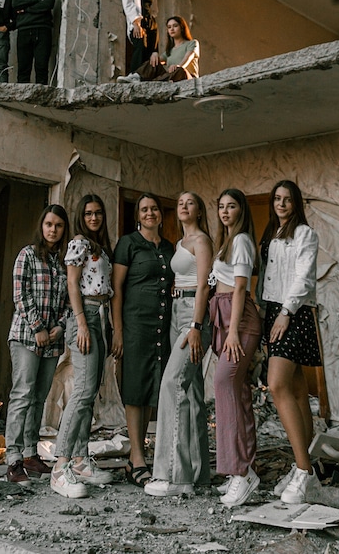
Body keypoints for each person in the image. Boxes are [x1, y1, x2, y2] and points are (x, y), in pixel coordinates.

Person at [146, 191, 213, 497]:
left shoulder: (202, 241)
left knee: (172, 384)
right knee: (193, 391)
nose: (184, 206)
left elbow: (203, 285)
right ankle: (199, 475)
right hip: (176, 312)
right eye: (181, 202)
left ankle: (173, 475)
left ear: (199, 211)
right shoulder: (178, 244)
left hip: (193, 316)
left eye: (190, 202)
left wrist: (197, 326)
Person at [258, 180, 321, 504]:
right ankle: (305, 468)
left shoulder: (305, 234)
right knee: (296, 390)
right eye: (277, 199)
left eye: (287, 199)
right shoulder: (270, 234)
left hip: (293, 312)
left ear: (296, 203)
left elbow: (304, 277)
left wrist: (285, 313)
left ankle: (304, 469)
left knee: (277, 384)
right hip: (273, 311)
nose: (281, 204)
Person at [51, 194, 115, 499]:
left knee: (90, 393)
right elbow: (72, 284)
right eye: (88, 213)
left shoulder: (100, 247)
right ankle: (59, 465)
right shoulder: (78, 243)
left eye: (98, 213)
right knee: (82, 391)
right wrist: (81, 322)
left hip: (100, 316)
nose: (94, 218)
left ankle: (79, 461)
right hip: (85, 315)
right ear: (81, 216)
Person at [111, 192, 174, 487]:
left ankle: (141, 454)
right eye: (144, 209)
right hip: (136, 323)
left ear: (161, 214)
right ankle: (137, 459)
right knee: (135, 388)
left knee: (153, 387)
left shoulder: (170, 247)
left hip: (162, 325)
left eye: (154, 209)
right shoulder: (128, 243)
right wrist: (119, 331)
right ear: (138, 215)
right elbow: (117, 288)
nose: (150, 213)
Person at [5, 203, 70, 485]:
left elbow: (70, 301)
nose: (53, 230)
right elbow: (20, 295)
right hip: (25, 336)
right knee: (22, 394)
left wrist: (59, 327)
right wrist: (38, 328)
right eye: (48, 224)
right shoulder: (28, 255)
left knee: (39, 397)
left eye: (58, 225)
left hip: (52, 341)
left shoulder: (65, 261)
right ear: (41, 227)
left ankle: (31, 453)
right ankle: (13, 459)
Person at [209, 188, 262, 507]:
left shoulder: (241, 240)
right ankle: (246, 470)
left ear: (242, 210)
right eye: (221, 207)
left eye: (231, 206)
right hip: (225, 313)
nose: (225, 211)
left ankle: (240, 473)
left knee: (223, 383)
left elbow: (241, 286)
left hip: (238, 319)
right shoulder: (226, 243)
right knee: (239, 391)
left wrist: (231, 331)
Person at [119, 16, 199, 83]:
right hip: (170, 76)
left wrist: (178, 66)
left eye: (175, 26)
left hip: (187, 77)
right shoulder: (170, 50)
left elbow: (188, 58)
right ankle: (136, 77)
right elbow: (155, 62)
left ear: (181, 28)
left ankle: (154, 82)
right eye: (169, 27)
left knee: (180, 71)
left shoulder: (192, 43)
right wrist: (154, 54)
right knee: (153, 61)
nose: (172, 29)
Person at [13, 0, 55, 84]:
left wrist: (25, 9)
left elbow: (47, 5)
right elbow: (15, 3)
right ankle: (21, 99)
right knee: (23, 68)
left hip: (42, 29)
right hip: (24, 30)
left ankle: (42, 98)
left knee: (41, 66)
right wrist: (36, 0)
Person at [121, 0, 158, 74]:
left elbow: (154, 9)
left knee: (150, 51)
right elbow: (127, 4)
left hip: (150, 23)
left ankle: (145, 76)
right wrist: (136, 23)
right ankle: (134, 74)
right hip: (137, 21)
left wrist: (152, 21)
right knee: (140, 45)